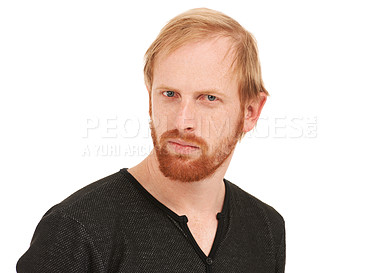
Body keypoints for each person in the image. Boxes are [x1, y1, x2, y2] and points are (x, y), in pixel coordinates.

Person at [17, 8, 285, 273]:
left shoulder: (266, 228)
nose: (182, 122)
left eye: (209, 98)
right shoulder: (76, 230)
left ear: (250, 112)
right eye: (170, 94)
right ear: (150, 99)